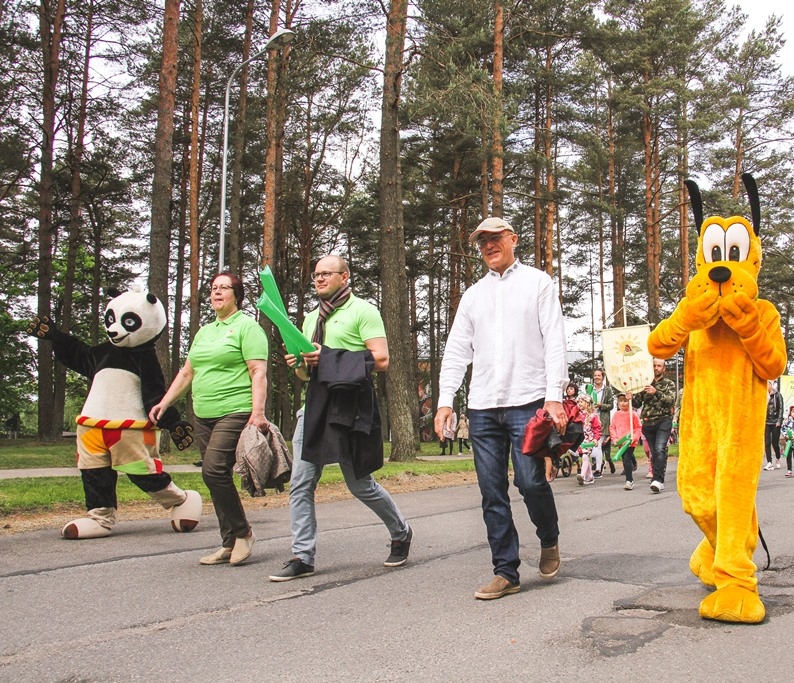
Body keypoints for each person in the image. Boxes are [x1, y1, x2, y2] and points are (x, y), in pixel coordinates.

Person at [434, 216, 569, 601]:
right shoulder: (473, 295)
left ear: (512, 239)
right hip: (482, 407)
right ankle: (505, 570)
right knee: (491, 491)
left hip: (527, 402)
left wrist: (553, 395)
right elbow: (457, 350)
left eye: (495, 238)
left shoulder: (538, 283)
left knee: (529, 482)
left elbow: (554, 340)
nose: (489, 246)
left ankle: (549, 537)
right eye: (482, 242)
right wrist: (446, 400)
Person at [269, 255, 412, 582]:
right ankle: (302, 556)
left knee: (359, 484)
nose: (319, 279)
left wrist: (328, 356)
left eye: (326, 274)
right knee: (301, 482)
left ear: (344, 276)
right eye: (316, 274)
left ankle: (401, 532)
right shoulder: (308, 319)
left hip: (351, 406)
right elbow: (306, 375)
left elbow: (382, 359)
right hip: (315, 406)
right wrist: (299, 363)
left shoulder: (364, 310)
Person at [151, 272, 268, 566]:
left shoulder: (247, 327)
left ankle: (244, 533)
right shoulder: (205, 331)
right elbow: (187, 373)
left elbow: (257, 371)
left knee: (213, 471)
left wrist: (258, 412)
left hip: (236, 410)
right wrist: (164, 403)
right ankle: (228, 543)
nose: (216, 293)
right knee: (216, 476)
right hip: (203, 414)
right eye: (213, 288)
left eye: (223, 288)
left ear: (237, 295)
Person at [632, 358, 677, 493]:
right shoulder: (645, 384)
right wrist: (631, 397)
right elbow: (638, 403)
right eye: (654, 366)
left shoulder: (669, 384)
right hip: (648, 422)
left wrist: (655, 392)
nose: (656, 368)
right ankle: (657, 478)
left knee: (659, 449)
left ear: (663, 369)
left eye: (659, 366)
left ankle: (658, 480)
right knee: (654, 453)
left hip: (663, 420)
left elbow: (670, 401)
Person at [585, 369, 616, 476]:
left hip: (602, 421)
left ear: (603, 377)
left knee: (597, 444)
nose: (597, 377)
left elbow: (611, 405)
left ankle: (598, 469)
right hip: (590, 421)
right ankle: (599, 462)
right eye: (595, 375)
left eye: (599, 375)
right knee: (591, 445)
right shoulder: (589, 389)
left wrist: (601, 405)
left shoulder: (607, 390)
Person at [610, 393, 642, 490]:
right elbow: (612, 427)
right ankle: (633, 462)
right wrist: (615, 439)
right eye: (621, 401)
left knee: (626, 458)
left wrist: (634, 437)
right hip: (621, 441)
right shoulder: (616, 415)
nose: (623, 403)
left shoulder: (633, 414)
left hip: (630, 441)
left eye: (625, 401)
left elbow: (638, 427)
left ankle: (629, 480)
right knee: (625, 458)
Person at [574, 395, 601, 485]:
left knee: (585, 456)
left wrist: (596, 439)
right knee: (585, 457)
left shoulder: (593, 416)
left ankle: (582, 475)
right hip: (580, 439)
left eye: (581, 402)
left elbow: (597, 428)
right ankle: (590, 477)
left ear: (587, 403)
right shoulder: (577, 415)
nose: (579, 404)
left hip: (589, 439)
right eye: (578, 402)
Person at [763, 380, 784, 470]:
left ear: (771, 385)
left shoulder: (777, 395)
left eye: (768, 384)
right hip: (766, 421)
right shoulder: (763, 395)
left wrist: (779, 420)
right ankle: (769, 461)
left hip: (775, 421)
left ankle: (778, 457)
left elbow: (781, 408)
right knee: (767, 442)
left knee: (774, 442)